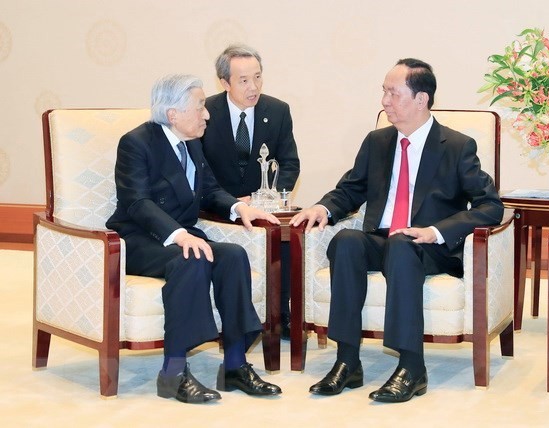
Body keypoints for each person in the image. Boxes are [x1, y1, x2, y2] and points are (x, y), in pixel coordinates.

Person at [290, 58, 504, 403]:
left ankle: (412, 366)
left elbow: (491, 206)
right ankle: (347, 362)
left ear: (421, 99)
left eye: (393, 92)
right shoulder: (377, 142)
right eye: (384, 92)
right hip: (383, 238)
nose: (385, 101)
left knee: (404, 245)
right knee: (346, 241)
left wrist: (436, 230)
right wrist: (324, 207)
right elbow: (351, 190)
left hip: (428, 247)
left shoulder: (458, 146)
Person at [106, 74, 283, 404]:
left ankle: (234, 365)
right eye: (200, 106)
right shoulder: (137, 143)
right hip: (140, 238)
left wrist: (238, 208)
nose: (207, 114)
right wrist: (179, 235)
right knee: (192, 257)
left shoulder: (192, 143)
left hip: (182, 236)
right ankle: (172, 373)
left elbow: (210, 191)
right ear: (173, 114)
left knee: (232, 255)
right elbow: (137, 202)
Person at [202, 44, 300, 339]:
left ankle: (281, 314)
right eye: (244, 80)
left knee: (287, 237)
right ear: (224, 83)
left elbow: (290, 164)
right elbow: (200, 171)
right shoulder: (205, 112)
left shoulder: (278, 110)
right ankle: (236, 322)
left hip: (263, 205)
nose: (253, 87)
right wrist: (232, 202)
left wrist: (264, 198)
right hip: (217, 208)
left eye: (258, 77)